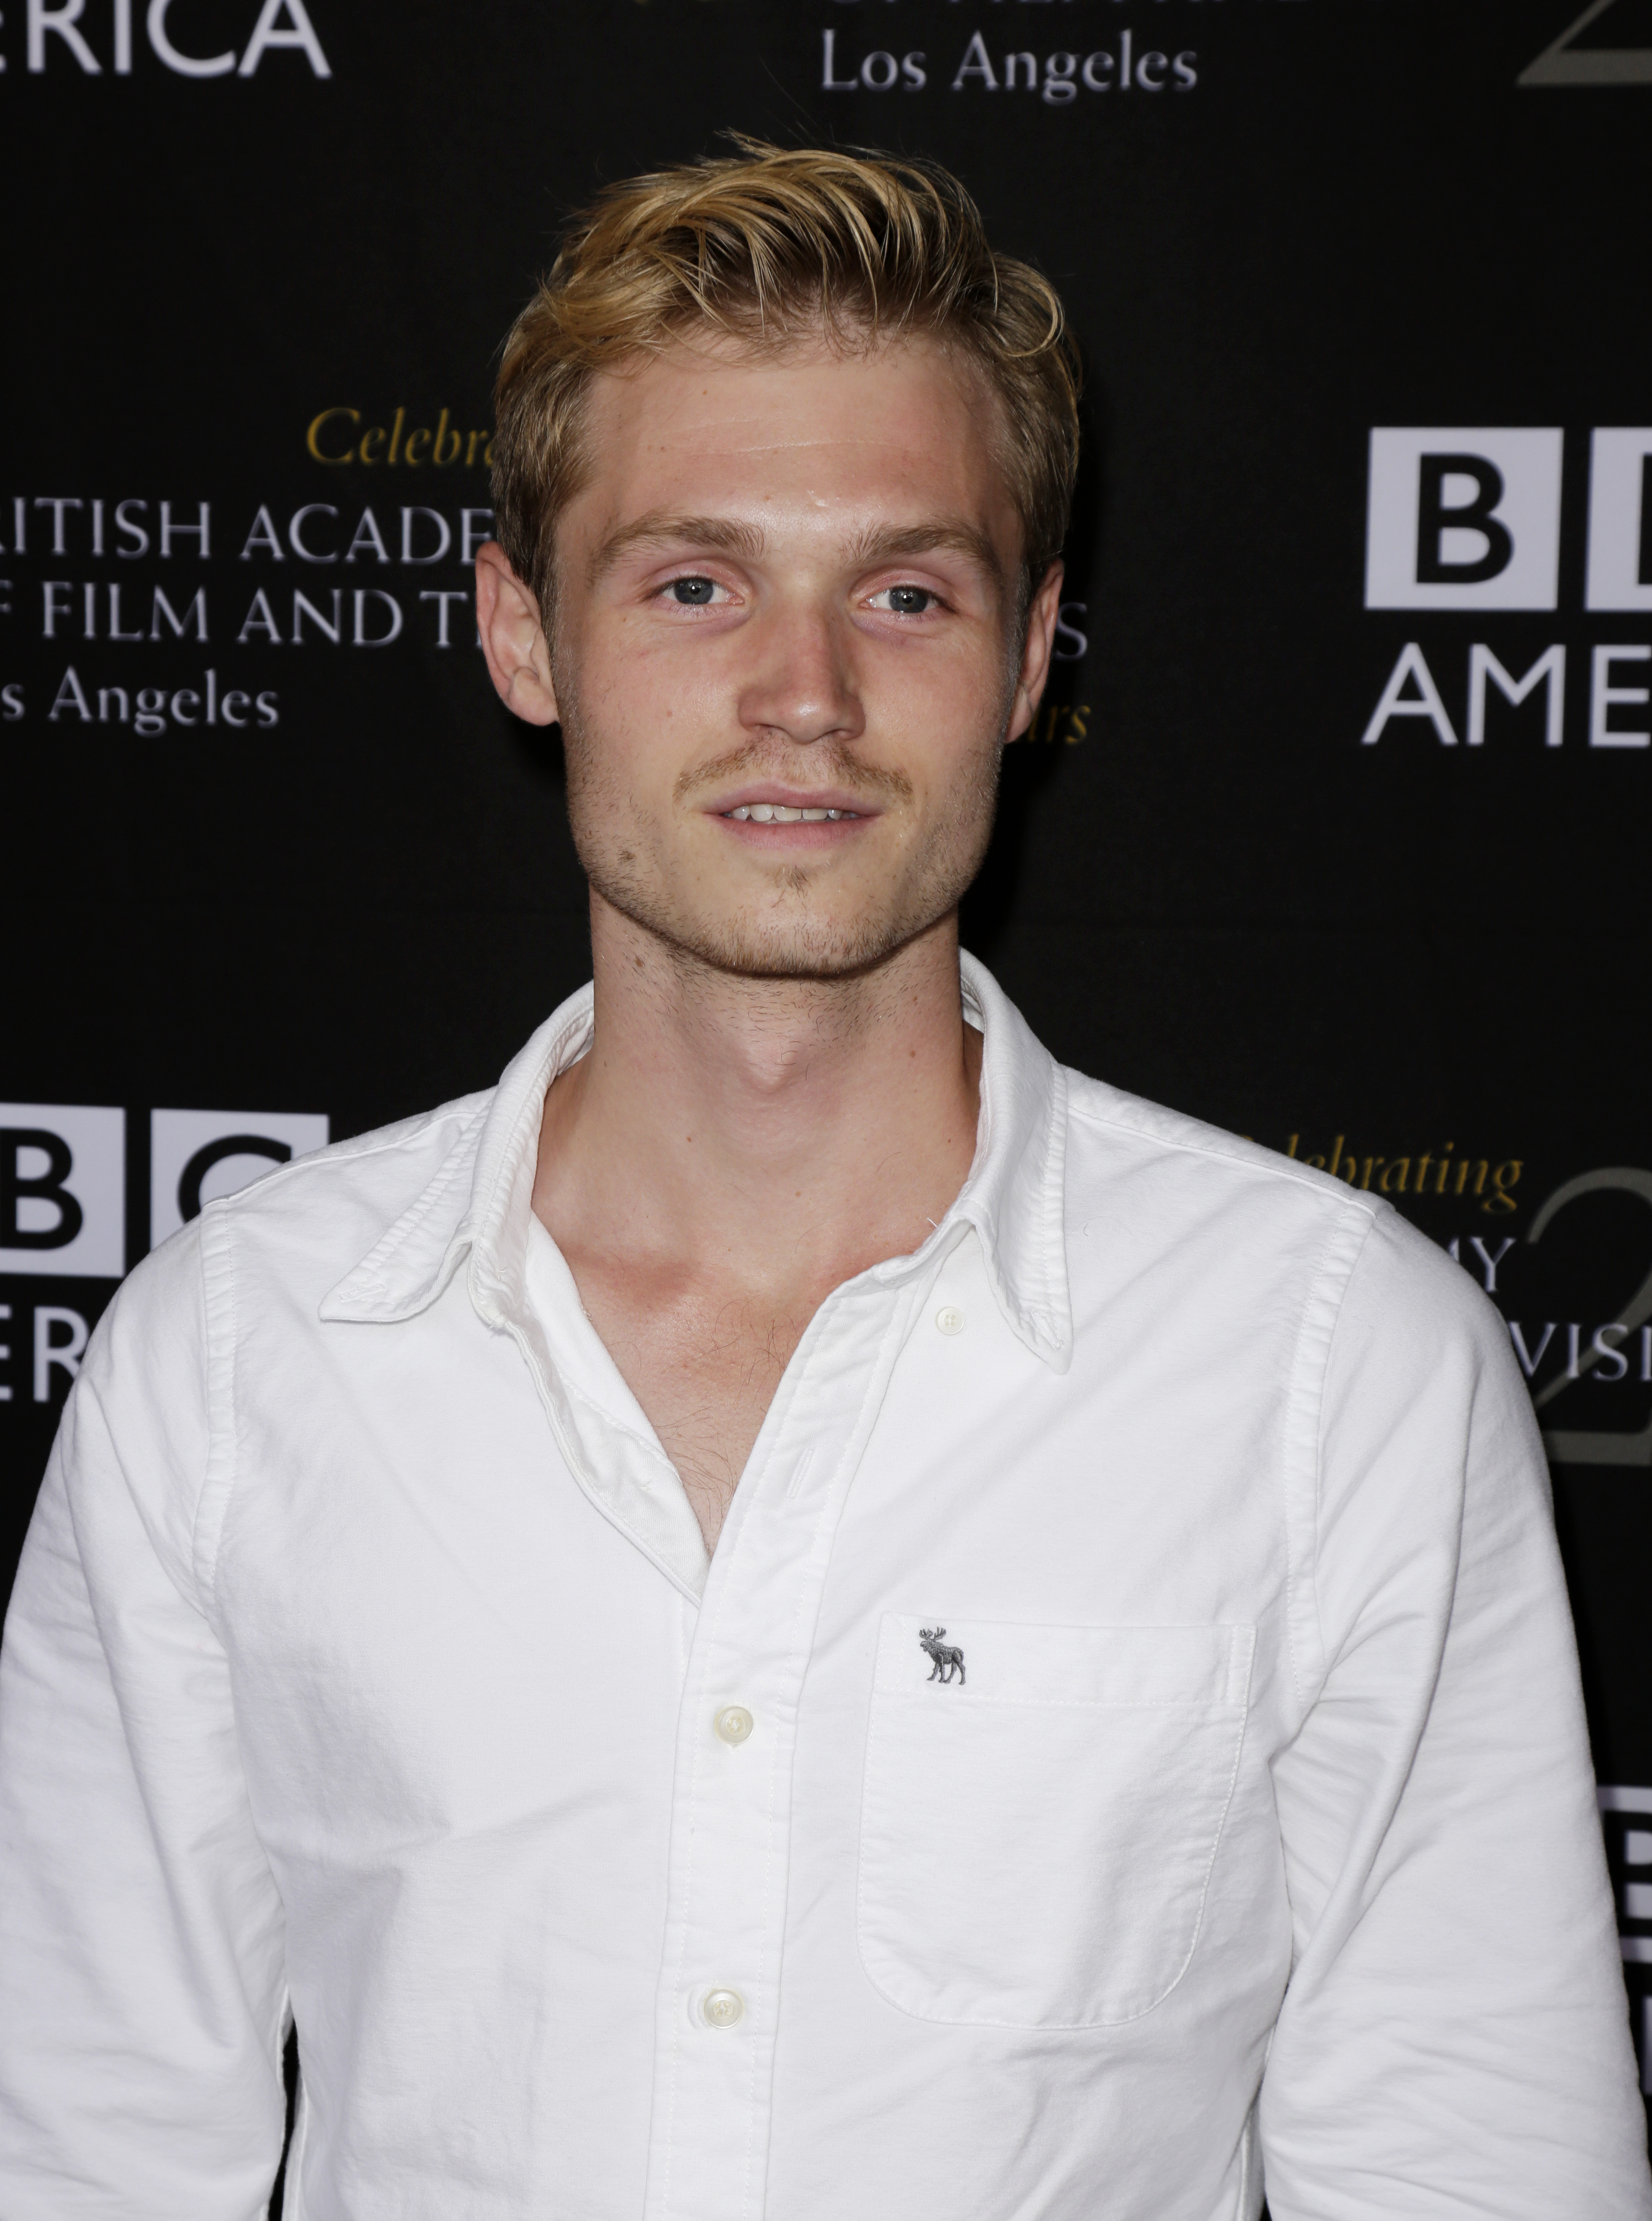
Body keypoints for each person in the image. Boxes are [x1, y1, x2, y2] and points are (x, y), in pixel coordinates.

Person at [0, 141, 1645, 2221]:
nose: (805, 695)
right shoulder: (231, 1362)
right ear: (524, 633)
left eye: (903, 590)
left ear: (1033, 654)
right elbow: (80, 2155)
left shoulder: (1334, 1370)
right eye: (693, 582)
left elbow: (1479, 2175)